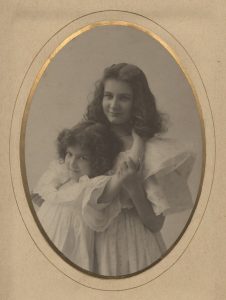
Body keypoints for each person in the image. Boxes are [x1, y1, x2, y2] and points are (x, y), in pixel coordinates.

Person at [84, 63, 195, 276]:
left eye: (124, 98)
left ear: (138, 103)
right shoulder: (87, 142)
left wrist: (135, 189)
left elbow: (155, 224)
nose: (114, 105)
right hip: (94, 241)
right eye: (108, 96)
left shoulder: (153, 151)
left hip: (135, 244)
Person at [31, 120, 144, 271]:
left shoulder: (93, 187)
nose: (72, 163)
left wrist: (139, 140)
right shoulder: (63, 178)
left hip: (69, 250)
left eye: (82, 158)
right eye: (69, 154)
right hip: (44, 239)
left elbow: (128, 168)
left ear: (98, 161)